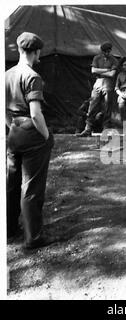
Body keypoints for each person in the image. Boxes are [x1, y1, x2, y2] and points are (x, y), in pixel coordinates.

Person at [6, 32, 54, 249]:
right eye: (38, 53)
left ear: (19, 49)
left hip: (13, 131)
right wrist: (45, 136)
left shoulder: (7, 74)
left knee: (12, 184)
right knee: (32, 187)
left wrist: (11, 127)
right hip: (31, 132)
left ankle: (8, 229)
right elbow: (36, 113)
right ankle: (33, 238)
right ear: (35, 52)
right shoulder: (32, 76)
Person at [77, 41, 118, 137]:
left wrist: (100, 71)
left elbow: (112, 74)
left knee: (107, 107)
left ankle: (106, 129)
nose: (107, 53)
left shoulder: (114, 60)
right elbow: (93, 70)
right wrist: (107, 70)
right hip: (98, 83)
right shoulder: (97, 58)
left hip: (108, 84)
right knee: (92, 105)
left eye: (108, 51)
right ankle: (88, 129)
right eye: (105, 52)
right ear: (102, 51)